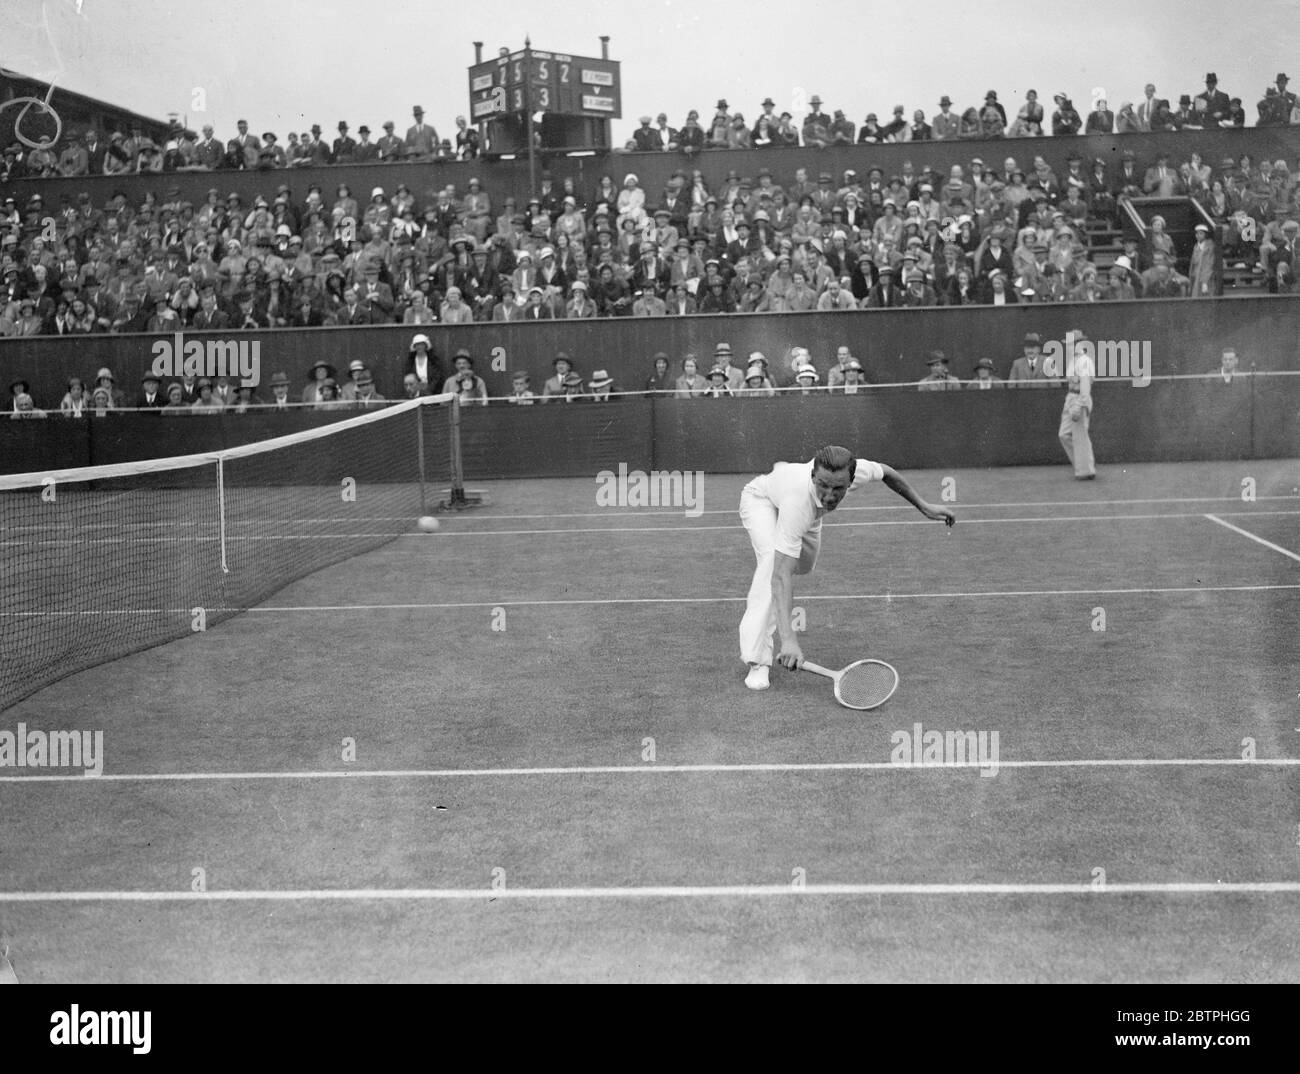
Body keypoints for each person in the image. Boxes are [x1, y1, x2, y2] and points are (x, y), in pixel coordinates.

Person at [738, 446, 955, 690]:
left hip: (808, 516)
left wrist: (924, 506)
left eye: (838, 488)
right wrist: (788, 639)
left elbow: (886, 473)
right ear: (813, 477)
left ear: (851, 480)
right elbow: (780, 576)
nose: (829, 495)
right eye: (823, 485)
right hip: (762, 501)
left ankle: (783, 472)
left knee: (804, 565)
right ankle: (757, 661)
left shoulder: (858, 471)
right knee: (772, 564)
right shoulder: (797, 503)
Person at [1058, 331, 1096, 480]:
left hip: (1079, 397)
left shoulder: (1085, 361)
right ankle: (1083, 464)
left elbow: (1085, 387)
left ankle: (1086, 471)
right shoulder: (1073, 360)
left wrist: (1079, 405)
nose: (1068, 347)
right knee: (1064, 434)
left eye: (1071, 344)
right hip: (1071, 397)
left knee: (1080, 436)